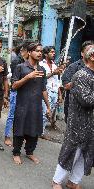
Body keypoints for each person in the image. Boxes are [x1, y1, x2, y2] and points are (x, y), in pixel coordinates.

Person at [52, 47, 94, 189]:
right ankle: (57, 181)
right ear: (92, 57)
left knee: (86, 153)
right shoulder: (81, 75)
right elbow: (86, 100)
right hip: (78, 122)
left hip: (91, 124)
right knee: (72, 152)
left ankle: (73, 182)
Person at [11, 43, 51, 165]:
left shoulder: (42, 69)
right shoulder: (20, 67)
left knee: (34, 128)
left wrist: (48, 106)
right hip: (23, 104)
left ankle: (30, 152)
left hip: (36, 105)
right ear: (29, 52)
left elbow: (43, 89)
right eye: (36, 51)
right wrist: (28, 77)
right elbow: (14, 86)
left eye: (41, 51)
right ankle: (16, 153)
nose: (39, 53)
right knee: (20, 128)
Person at [4, 41, 30, 147]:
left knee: (23, 115)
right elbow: (16, 79)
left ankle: (19, 135)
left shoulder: (30, 62)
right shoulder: (17, 61)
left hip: (26, 91)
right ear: (24, 50)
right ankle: (7, 136)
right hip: (16, 90)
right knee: (12, 114)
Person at [61, 41, 94, 123]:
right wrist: (79, 83)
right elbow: (65, 86)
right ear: (82, 53)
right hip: (75, 108)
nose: (91, 52)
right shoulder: (74, 67)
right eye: (89, 50)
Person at [39, 46, 63, 139]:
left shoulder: (54, 65)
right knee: (45, 112)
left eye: (54, 52)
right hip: (45, 91)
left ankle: (41, 131)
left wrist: (60, 95)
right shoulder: (41, 64)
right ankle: (40, 132)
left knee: (48, 113)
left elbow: (57, 82)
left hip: (54, 92)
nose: (53, 54)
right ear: (45, 54)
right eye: (51, 52)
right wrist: (53, 73)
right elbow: (41, 78)